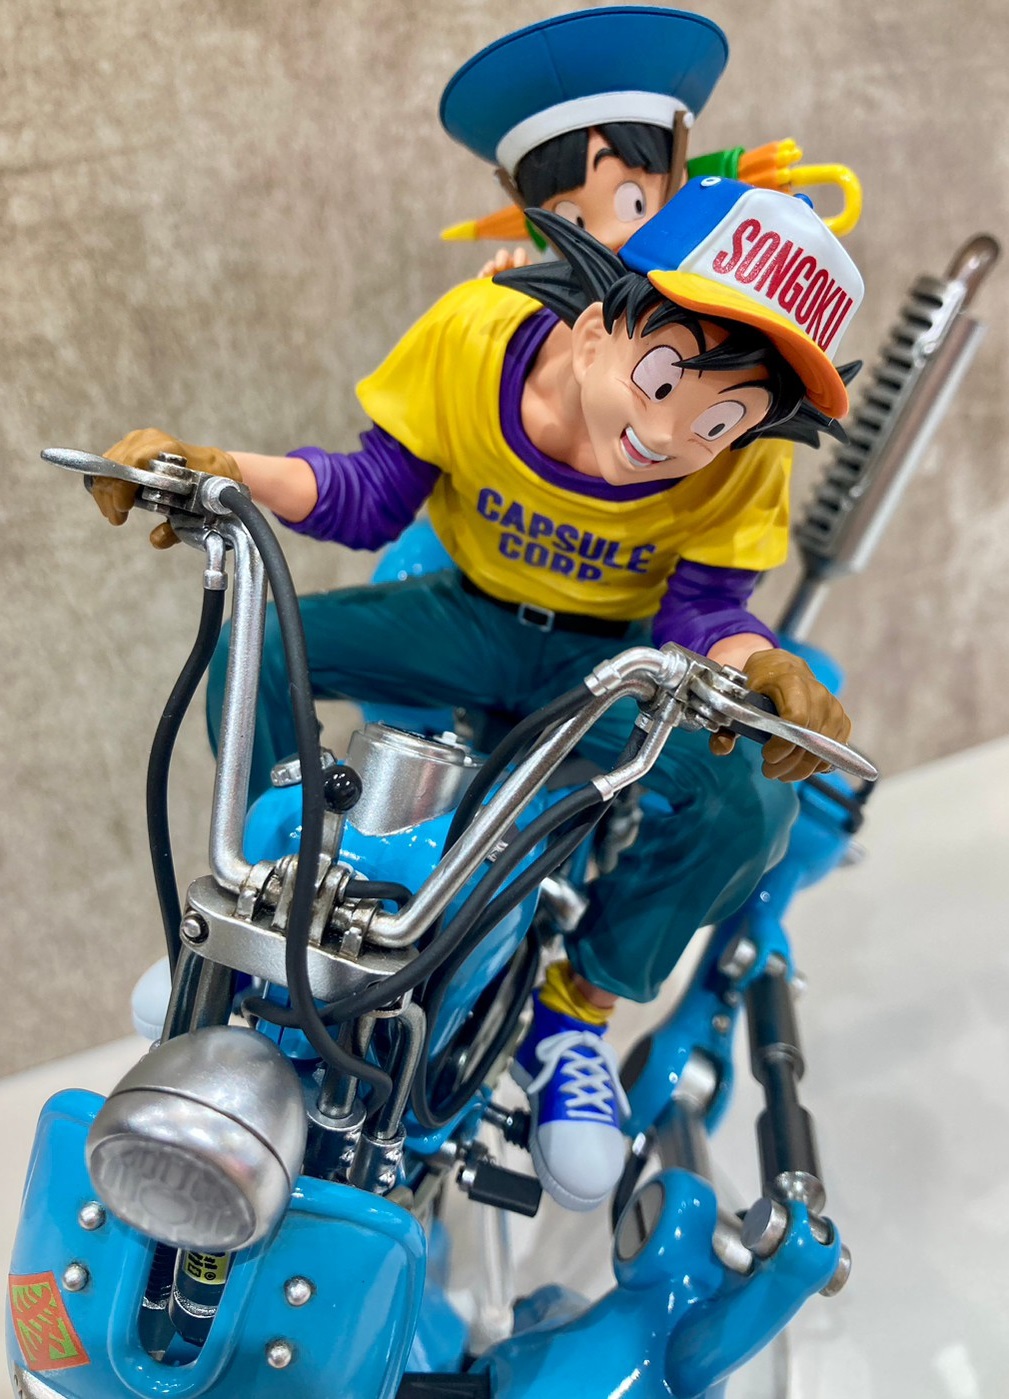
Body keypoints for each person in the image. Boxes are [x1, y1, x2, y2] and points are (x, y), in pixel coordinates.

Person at [94, 177, 863, 1211]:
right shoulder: (470, 338)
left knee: (753, 802)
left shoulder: (739, 469)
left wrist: (760, 668)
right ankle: (269, 913)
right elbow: (368, 495)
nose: (671, 433)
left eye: (721, 419)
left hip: (612, 660)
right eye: (661, 378)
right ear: (592, 331)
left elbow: (704, 609)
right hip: (467, 616)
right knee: (260, 646)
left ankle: (574, 1011)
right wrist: (217, 470)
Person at [439, 7, 861, 274]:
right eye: (574, 223)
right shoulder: (565, 287)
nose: (607, 239)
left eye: (634, 203)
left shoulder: (705, 263)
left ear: (675, 177)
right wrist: (512, 309)